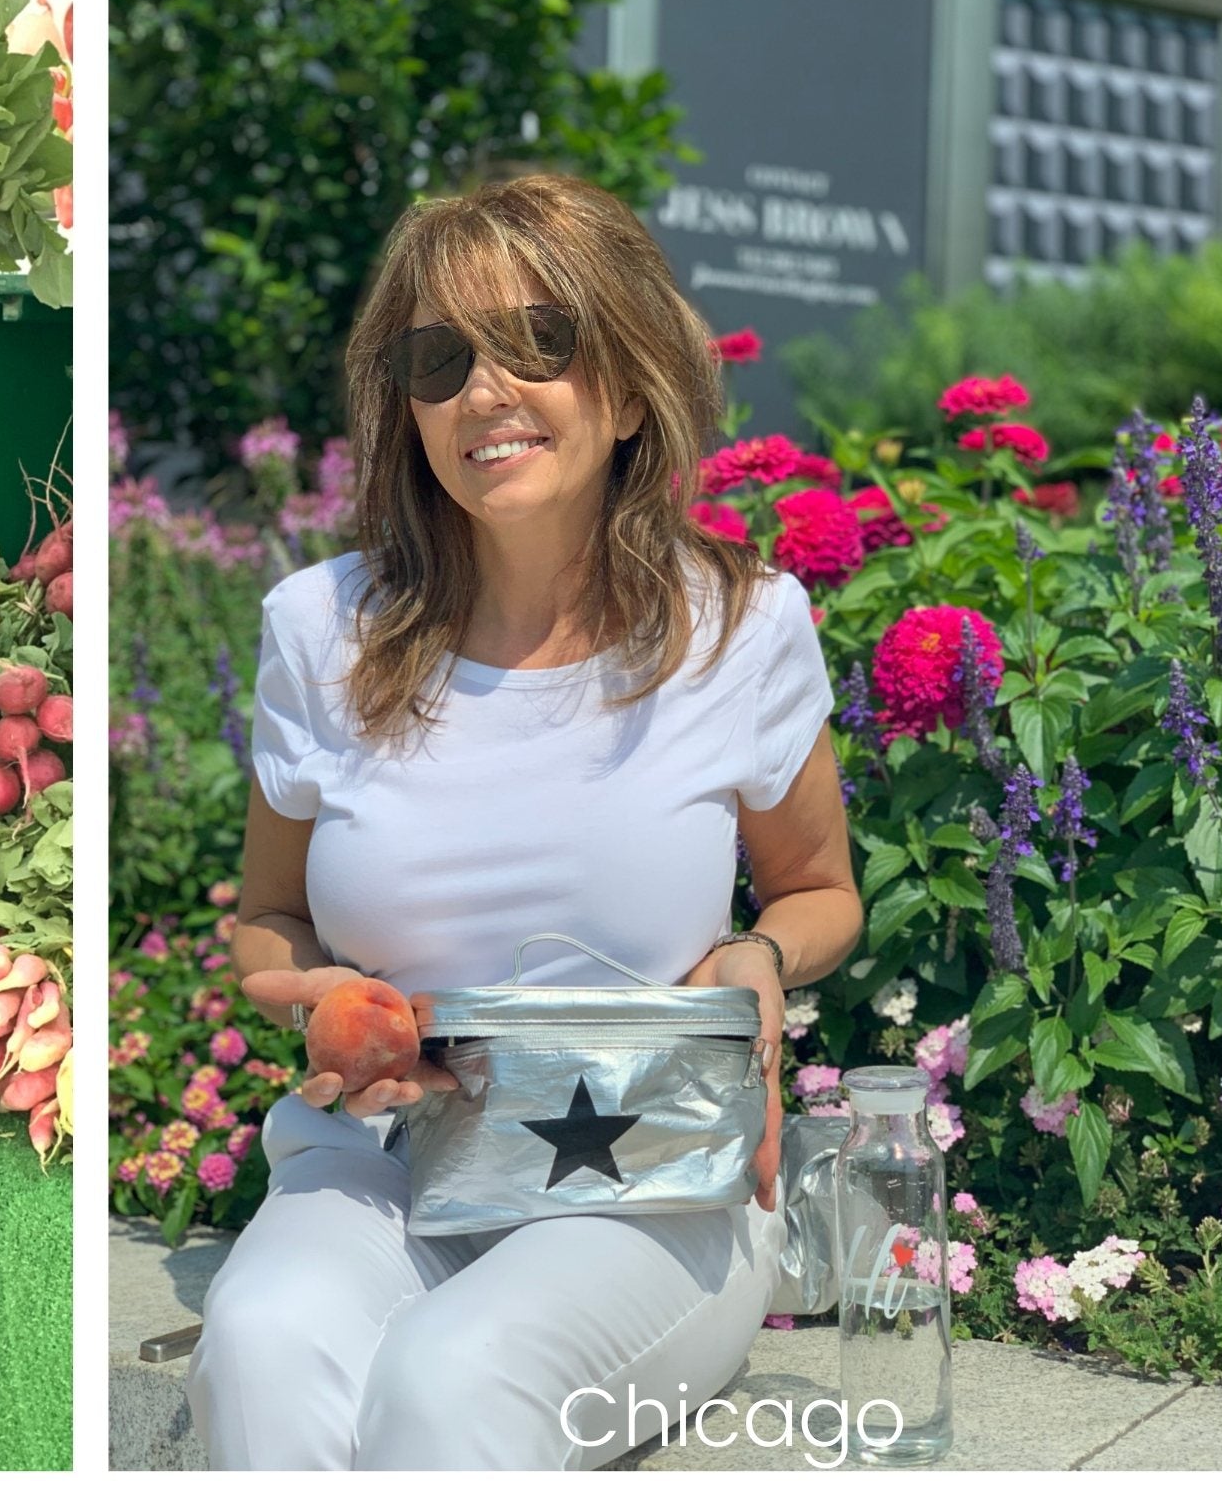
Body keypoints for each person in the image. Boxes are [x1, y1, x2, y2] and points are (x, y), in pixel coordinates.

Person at [186, 173, 863, 1470]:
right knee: (261, 1342)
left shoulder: (740, 626)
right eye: (438, 360)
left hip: (651, 1174)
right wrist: (315, 996)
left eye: (538, 340)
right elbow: (265, 920)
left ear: (625, 377)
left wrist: (759, 962)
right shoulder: (317, 631)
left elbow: (817, 889)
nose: (483, 391)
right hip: (386, 1152)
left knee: (455, 1380)